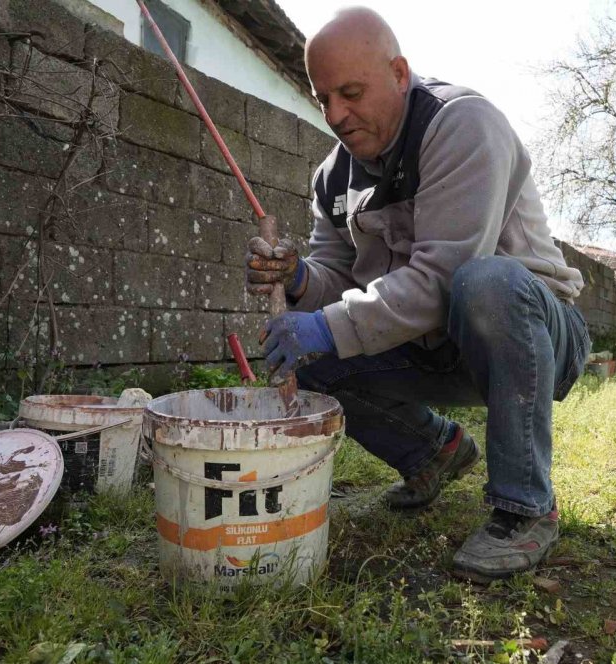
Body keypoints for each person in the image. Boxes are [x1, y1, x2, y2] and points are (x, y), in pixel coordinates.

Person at [245, 7, 589, 582]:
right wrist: (301, 280)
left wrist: (326, 324)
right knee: (314, 367)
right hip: (430, 343)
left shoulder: (462, 124)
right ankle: (432, 452)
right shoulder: (333, 178)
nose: (336, 115)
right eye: (323, 98)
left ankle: (526, 507)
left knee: (488, 280)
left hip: (530, 337)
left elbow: (445, 276)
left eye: (351, 93)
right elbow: (341, 278)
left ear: (399, 73)